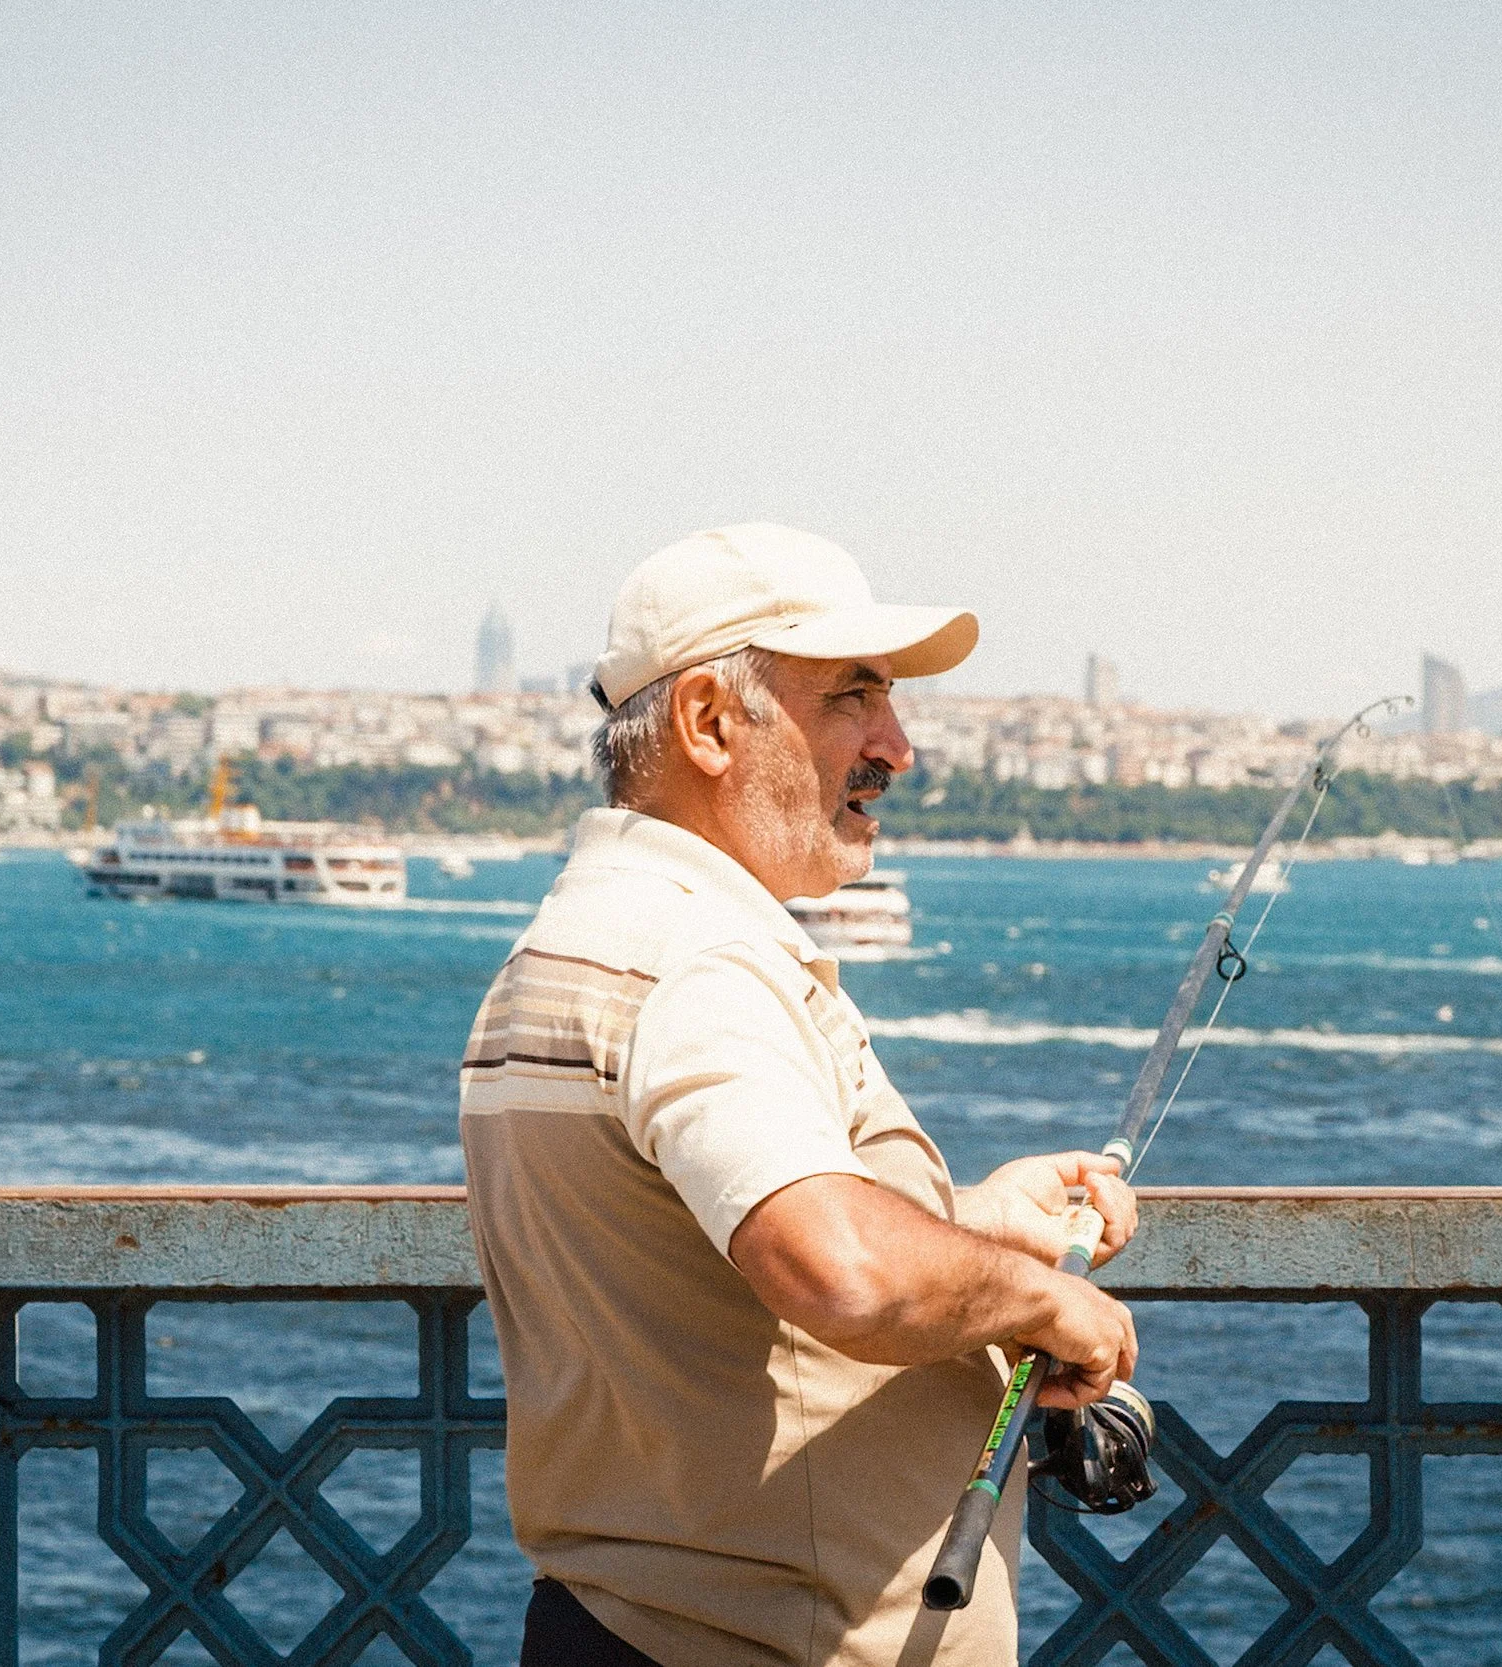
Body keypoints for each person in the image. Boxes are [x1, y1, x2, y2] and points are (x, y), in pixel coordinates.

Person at [460, 523, 1140, 1666]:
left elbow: (706, 1239)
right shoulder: (698, 961)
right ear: (711, 725)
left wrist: (971, 1220)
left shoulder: (570, 947)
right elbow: (838, 1266)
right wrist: (1038, 1298)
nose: (897, 745)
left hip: (613, 1622)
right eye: (853, 697)